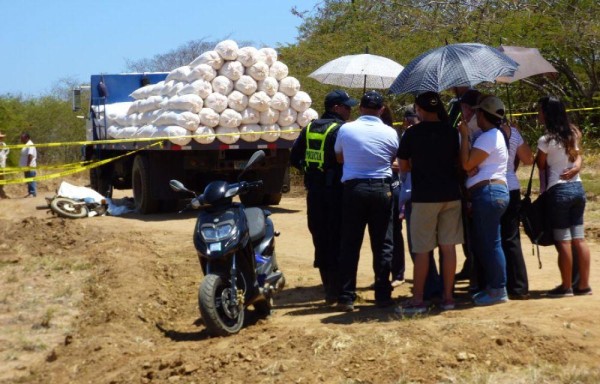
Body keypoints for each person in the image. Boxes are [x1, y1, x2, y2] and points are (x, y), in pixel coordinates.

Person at [397, 91, 463, 314]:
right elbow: (458, 161)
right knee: (448, 247)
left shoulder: (412, 134)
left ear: (419, 109)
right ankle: (448, 298)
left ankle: (418, 300)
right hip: (451, 194)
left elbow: (403, 167)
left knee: (423, 249)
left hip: (424, 196)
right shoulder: (452, 132)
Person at [290, 89, 358, 304]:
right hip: (336, 192)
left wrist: (311, 172)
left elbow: (294, 158)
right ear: (335, 108)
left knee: (320, 237)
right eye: (346, 106)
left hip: (315, 192)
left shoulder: (309, 127)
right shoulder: (342, 130)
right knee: (338, 237)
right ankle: (338, 289)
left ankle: (328, 286)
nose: (350, 110)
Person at [334, 91, 399, 311]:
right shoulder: (390, 132)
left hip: (354, 189)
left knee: (350, 243)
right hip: (382, 188)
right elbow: (392, 159)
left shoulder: (346, 128)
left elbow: (339, 157)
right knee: (382, 244)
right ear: (381, 110)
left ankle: (346, 296)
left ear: (360, 107)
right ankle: (382, 295)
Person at [536, 95, 592, 297]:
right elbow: (577, 157)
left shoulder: (545, 140)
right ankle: (583, 285)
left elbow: (541, 165)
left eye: (540, 110)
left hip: (558, 190)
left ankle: (566, 286)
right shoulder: (573, 133)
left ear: (548, 113)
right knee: (579, 238)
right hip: (577, 189)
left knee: (563, 240)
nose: (538, 114)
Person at [458, 95, 509, 306]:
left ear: (482, 114)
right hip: (491, 192)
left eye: (477, 112)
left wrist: (464, 137)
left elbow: (467, 164)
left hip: (488, 192)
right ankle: (494, 287)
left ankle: (498, 289)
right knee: (489, 242)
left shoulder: (489, 136)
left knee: (490, 243)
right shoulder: (492, 136)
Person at [397, 106, 444, 304]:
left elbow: (404, 166)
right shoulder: (443, 132)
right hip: (442, 194)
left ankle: (429, 289)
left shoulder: (411, 136)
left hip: (416, 196)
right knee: (442, 245)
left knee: (419, 246)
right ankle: (442, 289)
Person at [500, 120, 534, 300]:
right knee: (512, 238)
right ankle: (519, 286)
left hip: (494, 186)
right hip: (512, 186)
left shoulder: (483, 134)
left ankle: (499, 283)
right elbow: (528, 159)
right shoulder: (513, 133)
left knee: (493, 238)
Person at [381, 105, 405, 288]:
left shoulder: (391, 134)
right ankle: (383, 275)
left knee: (395, 231)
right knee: (381, 234)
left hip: (394, 186)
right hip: (379, 188)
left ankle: (398, 273)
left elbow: (400, 163)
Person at [19, 133, 37, 198]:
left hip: (30, 166)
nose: (21, 140)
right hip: (26, 167)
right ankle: (30, 192)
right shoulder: (26, 145)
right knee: (28, 180)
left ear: (27, 138)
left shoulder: (30, 144)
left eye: (22, 138)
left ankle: (32, 193)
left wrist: (28, 165)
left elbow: (30, 155)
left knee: (31, 179)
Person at [0, 131, 9, 199]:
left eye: (2, 137)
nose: (1, 138)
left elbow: (7, 150)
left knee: (2, 178)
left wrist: (5, 156)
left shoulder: (4, 144)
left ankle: (2, 193)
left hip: (2, 165)